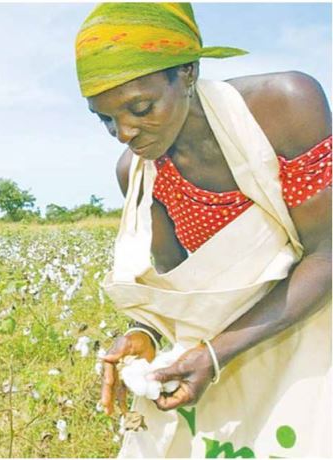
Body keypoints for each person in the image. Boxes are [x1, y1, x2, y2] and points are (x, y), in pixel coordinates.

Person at [75, 3, 331, 457]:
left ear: (188, 73)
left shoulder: (285, 106)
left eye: (140, 107)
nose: (124, 132)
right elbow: (181, 286)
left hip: (313, 324)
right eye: (105, 118)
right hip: (229, 347)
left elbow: (327, 255)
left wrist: (216, 354)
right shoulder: (140, 173)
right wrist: (147, 334)